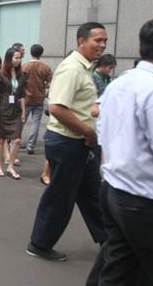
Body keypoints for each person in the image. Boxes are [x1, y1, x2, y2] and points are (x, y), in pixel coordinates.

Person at [88, 18, 153, 285]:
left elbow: (102, 127)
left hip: (113, 190)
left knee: (117, 270)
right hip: (145, 202)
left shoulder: (122, 82)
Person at [26, 22, 108, 262]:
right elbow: (57, 108)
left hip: (80, 143)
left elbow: (78, 105)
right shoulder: (72, 68)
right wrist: (88, 132)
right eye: (97, 41)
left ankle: (110, 241)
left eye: (105, 40)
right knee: (60, 198)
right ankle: (39, 244)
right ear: (81, 41)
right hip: (68, 142)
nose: (102, 45)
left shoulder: (85, 68)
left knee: (93, 193)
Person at [0, 48, 26, 179]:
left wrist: (23, 112)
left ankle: (10, 166)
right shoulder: (0, 74)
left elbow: (22, 94)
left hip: (16, 111)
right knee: (1, 140)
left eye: (20, 58)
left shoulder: (21, 74)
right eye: (16, 57)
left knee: (16, 140)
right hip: (2, 110)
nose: (18, 60)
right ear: (9, 58)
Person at [22, 45, 52, 156]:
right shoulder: (45, 67)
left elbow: (21, 83)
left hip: (26, 98)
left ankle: (14, 141)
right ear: (41, 54)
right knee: (36, 123)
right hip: (39, 98)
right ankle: (30, 146)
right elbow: (50, 83)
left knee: (22, 121)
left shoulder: (24, 66)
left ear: (30, 52)